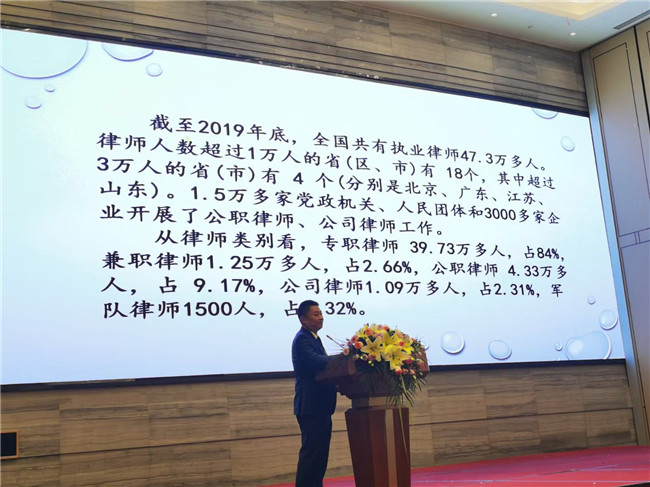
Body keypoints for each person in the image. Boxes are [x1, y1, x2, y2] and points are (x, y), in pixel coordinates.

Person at [292, 300, 338, 487]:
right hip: (311, 407)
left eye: (321, 314)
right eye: (316, 314)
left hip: (320, 407)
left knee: (319, 456)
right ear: (303, 319)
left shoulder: (314, 338)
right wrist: (342, 358)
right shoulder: (302, 339)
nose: (321, 318)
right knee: (311, 456)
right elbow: (316, 362)